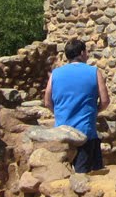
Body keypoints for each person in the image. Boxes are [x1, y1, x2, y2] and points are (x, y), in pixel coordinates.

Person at [44, 38, 111, 173]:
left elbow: (47, 102)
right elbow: (105, 101)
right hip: (86, 132)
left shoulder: (55, 74)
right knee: (86, 177)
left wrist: (58, 113)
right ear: (81, 53)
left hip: (62, 132)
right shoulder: (94, 72)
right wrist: (94, 112)